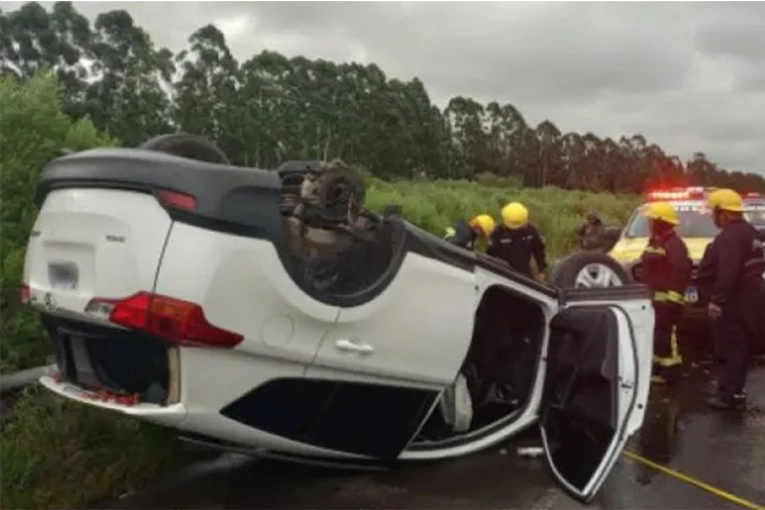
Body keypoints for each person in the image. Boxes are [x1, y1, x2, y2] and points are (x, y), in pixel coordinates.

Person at [696, 189, 765, 410]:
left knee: (732, 346)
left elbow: (728, 271)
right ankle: (734, 391)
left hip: (735, 300)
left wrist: (716, 300)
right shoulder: (750, 232)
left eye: (714, 213)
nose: (713, 218)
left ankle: (729, 395)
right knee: (742, 345)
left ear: (723, 214)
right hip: (752, 297)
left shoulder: (730, 237)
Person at [639, 201, 692, 385]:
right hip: (654, 299)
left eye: (652, 221)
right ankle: (658, 371)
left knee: (668, 336)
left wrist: (674, 299)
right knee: (657, 336)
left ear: (661, 222)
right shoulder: (655, 241)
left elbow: (681, 271)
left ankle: (671, 373)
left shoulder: (675, 245)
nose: (649, 224)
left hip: (667, 301)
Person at [487, 202, 548, 282]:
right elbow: (490, 254)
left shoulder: (531, 231)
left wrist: (541, 270)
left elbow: (539, 250)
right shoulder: (497, 233)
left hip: (524, 272)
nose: (514, 229)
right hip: (502, 273)